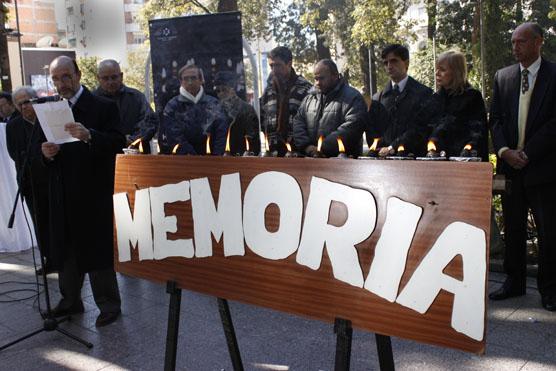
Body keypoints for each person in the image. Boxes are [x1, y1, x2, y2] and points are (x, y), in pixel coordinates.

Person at [41, 56, 124, 326]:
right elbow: (45, 150)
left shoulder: (103, 106)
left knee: (97, 251)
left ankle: (109, 305)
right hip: (63, 192)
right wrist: (47, 153)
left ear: (78, 75)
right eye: (55, 78)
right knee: (66, 251)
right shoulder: (50, 109)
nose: (61, 83)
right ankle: (70, 301)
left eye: (65, 76)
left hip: (93, 192)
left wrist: (89, 136)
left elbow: (117, 143)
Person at [489, 23, 556, 312]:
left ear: (539, 42)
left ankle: (550, 289)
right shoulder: (503, 77)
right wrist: (505, 152)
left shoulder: (554, 75)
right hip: (512, 168)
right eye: (513, 42)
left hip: (544, 168)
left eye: (522, 42)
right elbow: (496, 120)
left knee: (549, 232)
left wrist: (527, 153)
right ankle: (513, 282)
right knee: (513, 229)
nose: (515, 47)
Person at [6, 86, 52, 273]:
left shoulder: (47, 119)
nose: (25, 106)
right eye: (20, 104)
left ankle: (64, 258)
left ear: (36, 100)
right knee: (39, 223)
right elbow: (14, 153)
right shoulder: (13, 126)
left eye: (28, 101)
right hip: (30, 182)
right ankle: (48, 259)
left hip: (53, 178)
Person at [371, 44, 437, 157]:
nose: (389, 66)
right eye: (385, 63)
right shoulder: (378, 98)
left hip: (414, 159)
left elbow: (421, 129)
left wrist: (393, 147)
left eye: (394, 61)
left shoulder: (424, 93)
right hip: (384, 160)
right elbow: (373, 130)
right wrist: (380, 149)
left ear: (406, 63)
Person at [293, 59, 367, 157]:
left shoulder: (353, 97)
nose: (318, 83)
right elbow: (298, 122)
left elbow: (351, 128)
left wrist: (321, 148)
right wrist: (307, 147)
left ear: (335, 75)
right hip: (312, 160)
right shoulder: (309, 99)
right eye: (315, 79)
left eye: (321, 78)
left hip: (344, 163)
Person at [428, 51, 488, 160]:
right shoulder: (435, 98)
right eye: (436, 68)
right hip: (437, 163)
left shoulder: (472, 97)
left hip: (464, 162)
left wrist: (468, 150)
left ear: (456, 72)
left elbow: (478, 132)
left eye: (442, 69)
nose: (437, 73)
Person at [159, 63, 228, 155]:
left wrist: (216, 156)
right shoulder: (172, 106)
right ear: (181, 81)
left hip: (213, 159)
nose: (190, 82)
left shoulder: (214, 103)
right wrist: (192, 157)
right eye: (186, 79)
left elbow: (221, 133)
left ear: (201, 80)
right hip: (185, 160)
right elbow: (174, 135)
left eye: (193, 78)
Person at [93, 59, 158, 150]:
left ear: (121, 76)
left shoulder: (136, 97)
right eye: (105, 78)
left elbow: (150, 121)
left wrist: (133, 140)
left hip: (136, 153)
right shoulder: (92, 101)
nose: (110, 82)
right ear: (98, 78)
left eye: (114, 77)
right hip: (105, 156)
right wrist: (117, 140)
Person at [260, 46, 312, 156]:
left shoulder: (305, 89)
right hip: (274, 152)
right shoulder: (268, 90)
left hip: (298, 153)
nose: (274, 70)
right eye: (271, 66)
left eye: (278, 65)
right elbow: (262, 117)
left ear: (289, 64)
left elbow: (311, 122)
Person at [214, 71, 260, 155]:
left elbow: (253, 140)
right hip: (220, 159)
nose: (220, 94)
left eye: (224, 90)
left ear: (232, 89)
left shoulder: (246, 109)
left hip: (240, 159)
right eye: (217, 91)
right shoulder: (215, 110)